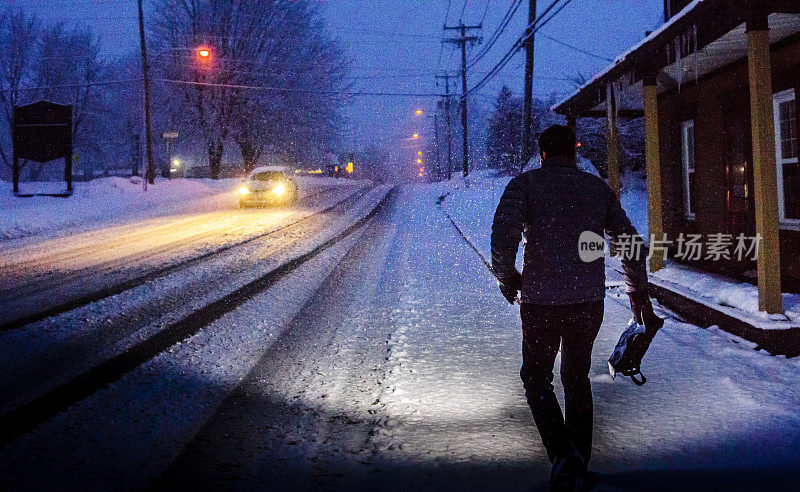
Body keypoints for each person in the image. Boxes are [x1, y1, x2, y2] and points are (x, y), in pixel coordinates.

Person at [490, 125, 662, 491]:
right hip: (587, 302)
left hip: (540, 304)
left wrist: (508, 278)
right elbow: (630, 243)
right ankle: (577, 462)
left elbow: (502, 237)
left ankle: (563, 457)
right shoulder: (595, 189)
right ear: (575, 152)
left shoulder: (525, 185)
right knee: (576, 377)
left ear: (542, 154)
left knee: (536, 377)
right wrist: (638, 292)